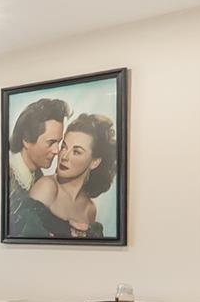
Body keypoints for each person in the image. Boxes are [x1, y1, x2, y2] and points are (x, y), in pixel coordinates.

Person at [30, 113, 117, 238]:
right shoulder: (47, 187)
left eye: (76, 152)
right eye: (64, 147)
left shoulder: (90, 209)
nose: (64, 156)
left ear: (94, 162)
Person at [6, 97, 70, 237]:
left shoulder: (39, 178)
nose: (57, 151)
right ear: (27, 140)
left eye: (58, 143)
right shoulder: (8, 180)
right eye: (51, 142)